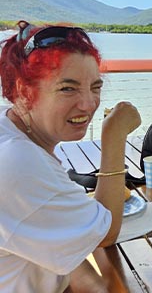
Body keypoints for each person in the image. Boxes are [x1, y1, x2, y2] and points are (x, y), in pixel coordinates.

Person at [0, 20, 141, 292]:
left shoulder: (12, 132)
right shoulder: (18, 161)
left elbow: (56, 238)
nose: (88, 104)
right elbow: (106, 234)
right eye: (68, 88)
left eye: (95, 87)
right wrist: (114, 138)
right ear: (23, 92)